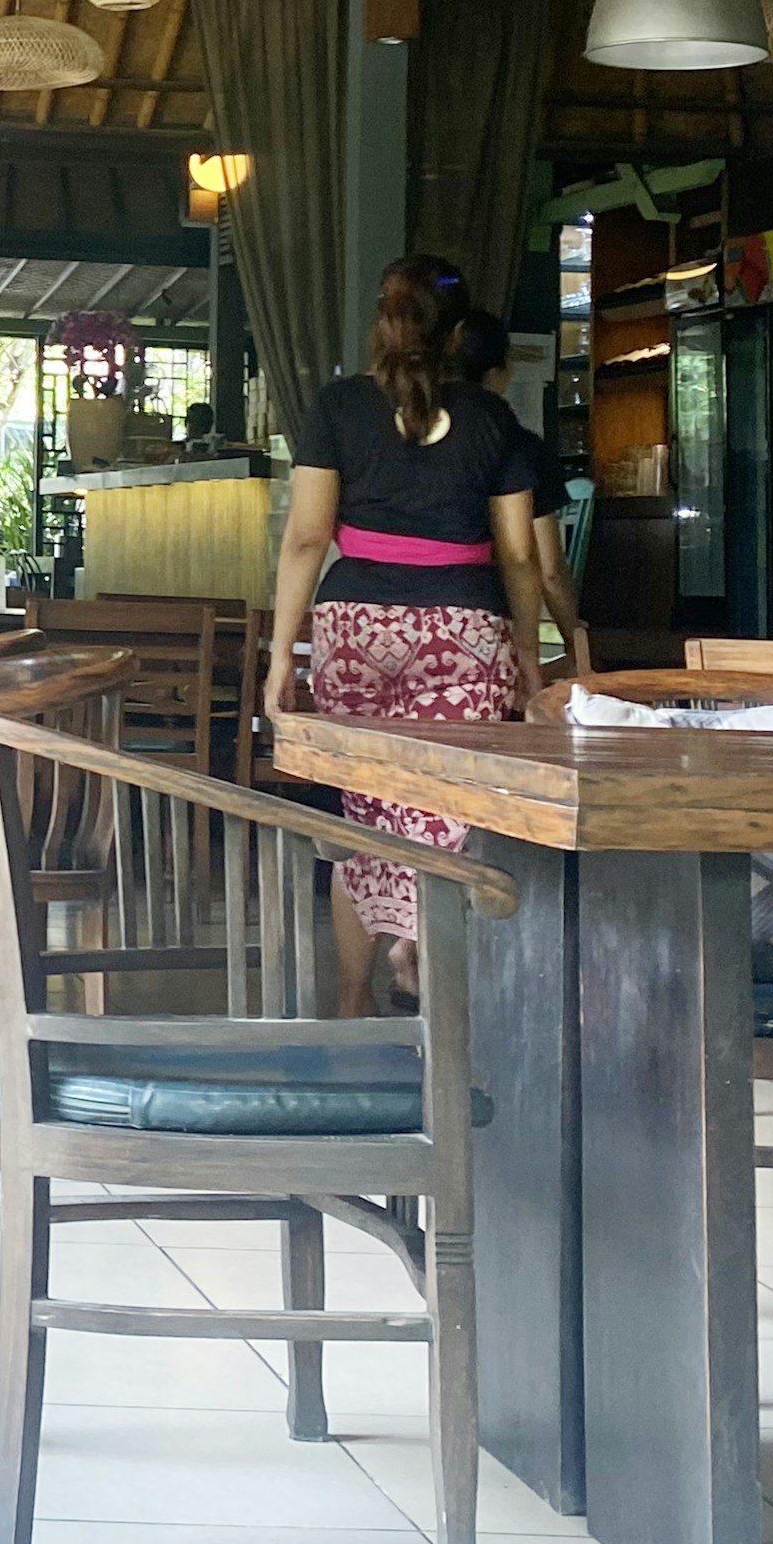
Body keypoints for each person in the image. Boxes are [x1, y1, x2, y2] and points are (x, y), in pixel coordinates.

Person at [259, 256, 548, 1014]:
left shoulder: (338, 408)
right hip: (464, 628)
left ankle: (357, 999)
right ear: (457, 333)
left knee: (372, 821)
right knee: (457, 820)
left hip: (355, 630)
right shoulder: (493, 422)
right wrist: (528, 654)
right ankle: (430, 974)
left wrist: (280, 655)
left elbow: (305, 539)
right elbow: (519, 554)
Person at [453, 306, 588, 676]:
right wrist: (575, 640)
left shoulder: (417, 437)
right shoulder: (520, 445)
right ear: (502, 371)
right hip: (493, 622)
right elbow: (548, 569)